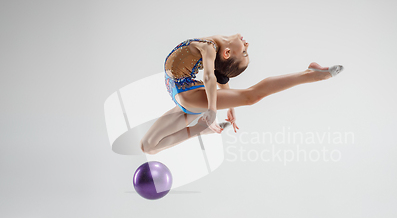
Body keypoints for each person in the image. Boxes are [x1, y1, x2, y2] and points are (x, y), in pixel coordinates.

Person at [140, 33, 343, 155]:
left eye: (244, 51)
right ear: (226, 53)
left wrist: (213, 108)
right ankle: (201, 129)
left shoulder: (209, 48)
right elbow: (218, 77)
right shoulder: (213, 45)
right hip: (185, 101)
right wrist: (224, 107)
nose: (247, 45)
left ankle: (311, 75)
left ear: (227, 53)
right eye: (246, 52)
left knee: (251, 96)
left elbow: (211, 78)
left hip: (188, 96)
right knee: (148, 147)